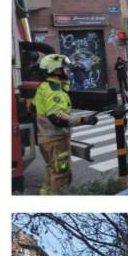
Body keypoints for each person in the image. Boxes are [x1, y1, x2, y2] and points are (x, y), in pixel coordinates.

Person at [33, 54, 99, 194]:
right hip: (56, 141)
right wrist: (84, 120)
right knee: (61, 172)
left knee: (52, 168)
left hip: (46, 138)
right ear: (56, 70)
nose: (67, 71)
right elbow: (58, 120)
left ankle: (46, 192)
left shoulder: (45, 87)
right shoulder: (54, 91)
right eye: (64, 68)